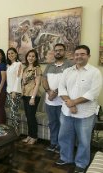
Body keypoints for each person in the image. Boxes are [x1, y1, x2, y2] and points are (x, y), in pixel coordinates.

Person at [56, 45, 102, 173]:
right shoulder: (67, 71)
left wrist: (73, 103)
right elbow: (61, 88)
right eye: (77, 54)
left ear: (88, 56)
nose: (79, 56)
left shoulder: (95, 72)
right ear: (74, 56)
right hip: (66, 112)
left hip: (86, 114)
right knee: (64, 136)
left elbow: (93, 93)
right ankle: (66, 157)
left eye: (82, 54)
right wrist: (70, 104)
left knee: (84, 140)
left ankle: (81, 163)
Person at [42, 43, 74, 153]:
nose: (58, 52)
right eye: (56, 50)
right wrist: (48, 91)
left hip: (63, 102)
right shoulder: (49, 65)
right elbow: (44, 79)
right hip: (50, 102)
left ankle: (61, 145)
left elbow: (71, 83)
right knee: (52, 123)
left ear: (65, 51)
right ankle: (53, 143)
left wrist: (55, 92)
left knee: (63, 125)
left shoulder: (71, 65)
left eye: (60, 50)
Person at [21, 49, 42, 145]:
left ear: (36, 58)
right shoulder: (25, 68)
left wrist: (33, 97)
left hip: (33, 95)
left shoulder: (37, 68)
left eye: (33, 56)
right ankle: (29, 135)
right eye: (29, 56)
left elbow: (37, 84)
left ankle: (34, 136)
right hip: (25, 95)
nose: (30, 58)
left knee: (31, 116)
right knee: (28, 116)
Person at [6, 47, 23, 135]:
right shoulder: (9, 66)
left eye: (12, 53)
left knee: (14, 112)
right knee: (12, 112)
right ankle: (14, 130)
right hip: (8, 91)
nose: (10, 55)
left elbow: (18, 78)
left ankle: (17, 132)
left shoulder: (18, 64)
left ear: (16, 54)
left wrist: (14, 91)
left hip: (15, 91)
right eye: (9, 54)